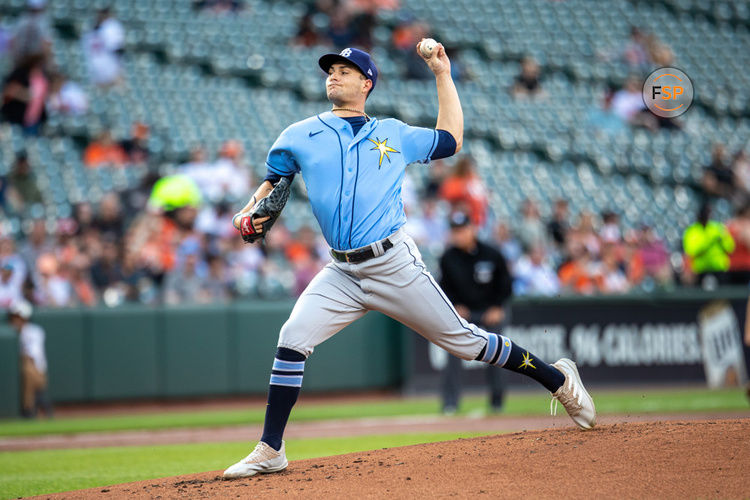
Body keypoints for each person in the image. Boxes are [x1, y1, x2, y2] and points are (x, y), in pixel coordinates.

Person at [223, 44, 596, 479]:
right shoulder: (298, 134)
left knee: (468, 343)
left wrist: (442, 74)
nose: (333, 76)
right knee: (292, 337)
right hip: (342, 270)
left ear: (367, 83)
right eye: (331, 70)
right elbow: (272, 184)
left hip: (392, 263)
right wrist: (248, 212)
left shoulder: (394, 134)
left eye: (345, 70)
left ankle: (559, 380)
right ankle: (271, 448)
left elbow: (452, 140)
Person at [438, 211, 512, 414]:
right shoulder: (448, 257)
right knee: (453, 354)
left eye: (462, 230)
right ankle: (450, 403)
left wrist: (498, 306)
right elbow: (443, 287)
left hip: (490, 311)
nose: (458, 235)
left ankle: (497, 402)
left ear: (472, 229)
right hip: (463, 313)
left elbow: (505, 284)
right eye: (455, 231)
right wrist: (454, 306)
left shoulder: (491, 253)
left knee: (498, 355)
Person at [7, 299, 53, 418]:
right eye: (14, 317)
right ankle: (36, 408)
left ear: (24, 318)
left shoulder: (34, 331)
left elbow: (32, 356)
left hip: (37, 371)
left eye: (18, 317)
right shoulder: (12, 331)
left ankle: (30, 409)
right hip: (26, 369)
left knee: (28, 370)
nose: (15, 320)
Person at [683, 203, 735, 288]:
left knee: (722, 295)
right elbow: (691, 251)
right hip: (700, 269)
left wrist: (721, 242)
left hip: (718, 268)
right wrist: (709, 242)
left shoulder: (717, 228)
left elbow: (730, 247)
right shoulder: (692, 230)